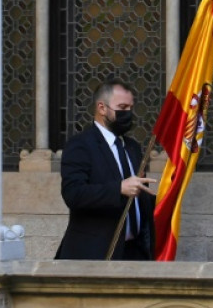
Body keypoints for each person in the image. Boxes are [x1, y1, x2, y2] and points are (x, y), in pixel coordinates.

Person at [55, 78, 157, 260]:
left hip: (135, 253)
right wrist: (119, 188)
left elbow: (138, 196)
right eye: (122, 107)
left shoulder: (132, 147)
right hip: (96, 254)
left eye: (131, 108)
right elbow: (73, 194)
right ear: (102, 108)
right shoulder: (80, 145)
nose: (128, 113)